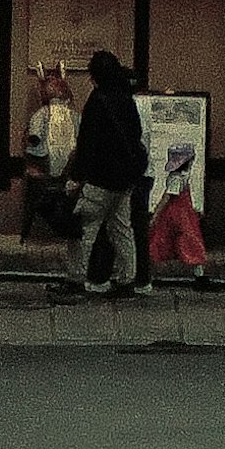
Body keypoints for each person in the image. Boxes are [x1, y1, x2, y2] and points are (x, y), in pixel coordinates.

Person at [69, 43, 152, 298]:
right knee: (122, 230)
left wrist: (76, 176)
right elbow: (136, 134)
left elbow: (87, 143)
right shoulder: (125, 97)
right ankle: (127, 280)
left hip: (99, 179)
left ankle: (75, 280)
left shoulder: (98, 100)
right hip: (125, 179)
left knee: (84, 231)